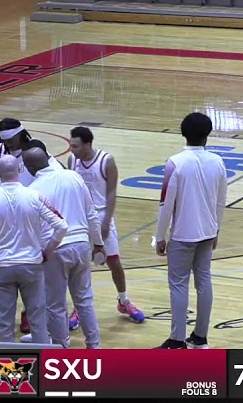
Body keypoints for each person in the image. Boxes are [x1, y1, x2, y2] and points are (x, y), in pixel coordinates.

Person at [0, 154, 67, 344]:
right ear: (19, 171)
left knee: (5, 324)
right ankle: (43, 366)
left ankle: (9, 369)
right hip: (32, 266)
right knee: (38, 321)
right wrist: (48, 251)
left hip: (3, 267)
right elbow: (62, 226)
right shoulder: (35, 196)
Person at [156, 112, 227, 350]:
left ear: (183, 133)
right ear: (207, 134)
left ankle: (177, 340)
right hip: (207, 231)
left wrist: (159, 236)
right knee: (204, 280)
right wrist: (216, 228)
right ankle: (200, 337)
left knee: (178, 284)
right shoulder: (217, 161)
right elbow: (220, 201)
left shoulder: (175, 163)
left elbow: (166, 203)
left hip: (182, 234)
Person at [23, 147, 103, 349]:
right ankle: (94, 347)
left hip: (55, 249)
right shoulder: (73, 176)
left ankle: (61, 349)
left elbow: (33, 230)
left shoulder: (33, 189)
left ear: (30, 167)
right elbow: (91, 213)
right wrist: (99, 243)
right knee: (84, 300)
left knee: (56, 305)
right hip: (82, 245)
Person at [68, 126, 146, 325]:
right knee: (80, 266)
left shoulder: (106, 160)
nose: (72, 149)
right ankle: (78, 308)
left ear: (87, 144)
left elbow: (111, 193)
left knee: (113, 261)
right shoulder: (72, 161)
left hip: (102, 214)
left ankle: (124, 300)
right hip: (80, 218)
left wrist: (106, 221)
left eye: (75, 146)